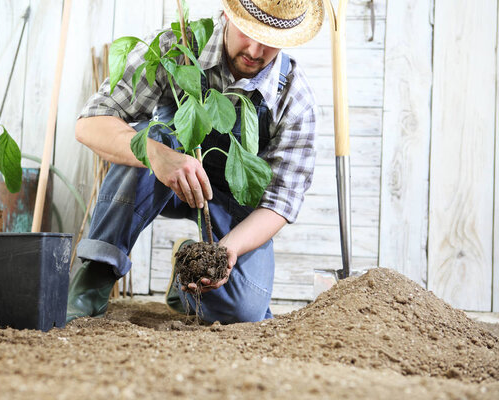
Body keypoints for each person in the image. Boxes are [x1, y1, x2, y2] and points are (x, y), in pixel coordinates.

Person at [67, 0, 323, 324]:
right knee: (151, 137)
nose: (256, 50)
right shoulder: (178, 48)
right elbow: (89, 124)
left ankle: (187, 272)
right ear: (229, 13)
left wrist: (226, 250)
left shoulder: (294, 100)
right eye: (248, 32)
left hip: (232, 203)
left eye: (271, 40)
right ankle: (95, 274)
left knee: (244, 310)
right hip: (165, 181)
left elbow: (281, 203)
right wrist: (158, 155)